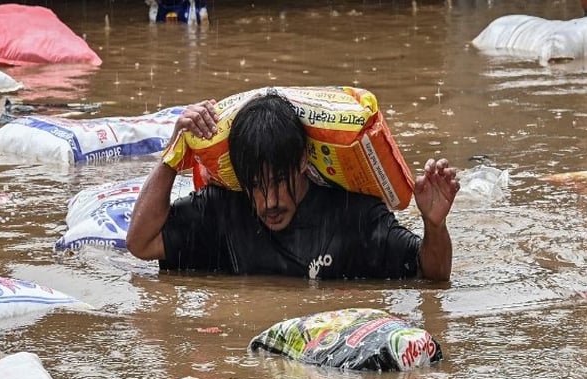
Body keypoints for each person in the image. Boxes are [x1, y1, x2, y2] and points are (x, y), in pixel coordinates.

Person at [126, 92, 460, 281]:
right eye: (256, 186)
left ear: (303, 162)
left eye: (278, 182)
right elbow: (141, 243)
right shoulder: (221, 211)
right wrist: (173, 154)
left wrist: (435, 225)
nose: (269, 201)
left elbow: (433, 276)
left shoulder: (353, 216)